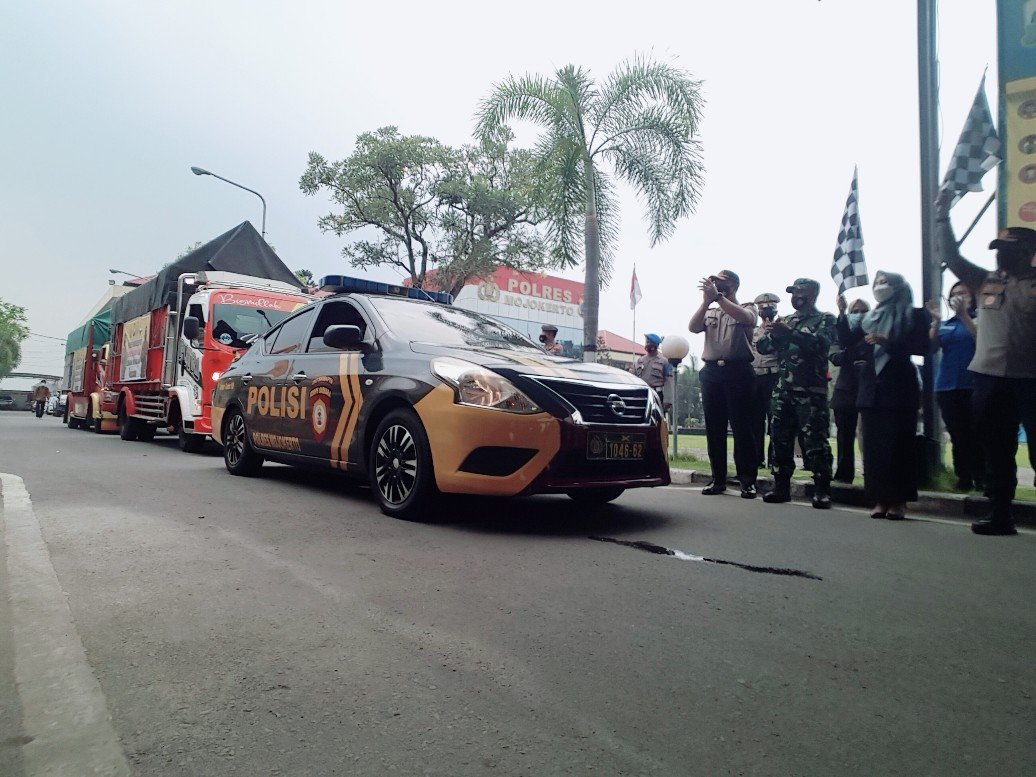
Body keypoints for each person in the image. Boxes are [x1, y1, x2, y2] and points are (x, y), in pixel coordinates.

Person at [935, 194, 1036, 535]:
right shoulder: (986, 281)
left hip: (1031, 378)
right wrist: (941, 217)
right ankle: (1000, 514)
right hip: (989, 378)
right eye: (997, 248)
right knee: (996, 449)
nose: (999, 253)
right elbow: (951, 257)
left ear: (1026, 251)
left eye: (1006, 248)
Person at [836, 271, 931, 521]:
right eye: (877, 283)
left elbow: (922, 348)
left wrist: (888, 342)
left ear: (899, 287)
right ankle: (879, 499)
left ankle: (898, 501)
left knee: (899, 446)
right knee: (874, 447)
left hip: (899, 386)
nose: (879, 287)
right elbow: (846, 339)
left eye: (884, 282)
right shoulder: (869, 317)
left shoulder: (915, 315)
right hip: (871, 387)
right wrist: (842, 313)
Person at [756, 279, 837, 509]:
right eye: (792, 293)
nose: (795, 297)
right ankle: (781, 487)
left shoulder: (825, 319)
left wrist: (789, 333)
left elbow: (821, 345)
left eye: (799, 292)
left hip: (811, 392)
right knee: (780, 439)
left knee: (815, 441)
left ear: (811, 294)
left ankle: (822, 489)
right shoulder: (786, 320)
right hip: (783, 391)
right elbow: (763, 348)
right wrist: (771, 329)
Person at [688, 269, 759, 498]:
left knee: (742, 428)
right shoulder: (713, 310)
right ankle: (718, 479)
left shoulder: (747, 307)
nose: (717, 286)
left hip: (738, 371)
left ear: (734, 286)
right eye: (715, 283)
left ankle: (747, 481)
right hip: (712, 373)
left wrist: (719, 298)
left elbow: (747, 319)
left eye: (722, 284)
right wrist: (705, 303)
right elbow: (693, 327)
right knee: (714, 429)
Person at [925, 282, 984, 492]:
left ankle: (981, 476)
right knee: (958, 435)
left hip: (973, 385)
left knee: (976, 432)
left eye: (963, 293)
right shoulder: (947, 324)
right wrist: (936, 322)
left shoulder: (980, 320)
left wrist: (965, 316)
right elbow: (931, 348)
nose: (958, 297)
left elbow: (982, 340)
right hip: (947, 386)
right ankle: (963, 477)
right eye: (954, 294)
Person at [829, 299, 870, 484]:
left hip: (870, 389)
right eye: (855, 310)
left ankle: (872, 474)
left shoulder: (875, 332)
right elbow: (835, 356)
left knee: (869, 435)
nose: (859, 314)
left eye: (864, 310)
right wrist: (855, 348)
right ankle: (844, 475)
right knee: (844, 435)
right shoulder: (840, 334)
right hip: (846, 389)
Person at [750, 292, 782, 470]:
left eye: (770, 306)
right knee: (755, 420)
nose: (767, 310)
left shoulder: (781, 328)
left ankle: (774, 458)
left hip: (773, 376)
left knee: (775, 420)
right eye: (763, 307)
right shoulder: (754, 331)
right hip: (756, 377)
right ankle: (757, 459)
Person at [630, 333, 674, 411]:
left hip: (656, 394)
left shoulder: (664, 361)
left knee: (656, 419)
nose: (647, 345)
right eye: (646, 342)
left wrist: (667, 400)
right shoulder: (640, 361)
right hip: (641, 394)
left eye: (649, 343)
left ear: (655, 345)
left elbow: (669, 382)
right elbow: (633, 378)